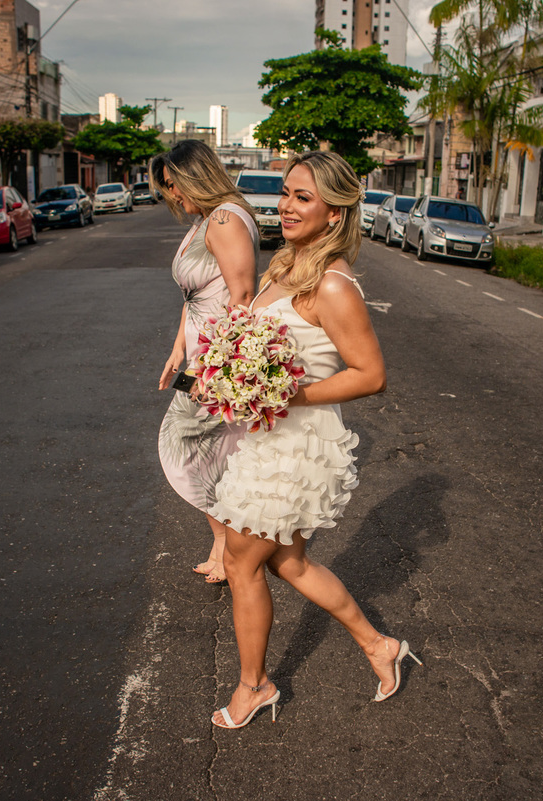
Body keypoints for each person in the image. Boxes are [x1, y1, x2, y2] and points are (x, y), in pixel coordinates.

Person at [206, 151, 419, 729]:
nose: (287, 205)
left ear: (334, 213)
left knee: (243, 561)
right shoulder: (284, 265)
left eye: (304, 197)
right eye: (286, 193)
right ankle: (379, 646)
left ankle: (255, 686)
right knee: (291, 565)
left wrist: (287, 395)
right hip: (266, 437)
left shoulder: (333, 285)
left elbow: (370, 375)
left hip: (295, 448)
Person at [152, 140, 259, 584]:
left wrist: (210, 366)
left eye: (175, 184)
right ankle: (225, 543)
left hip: (218, 359)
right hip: (201, 355)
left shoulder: (225, 218)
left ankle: (229, 545)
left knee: (186, 445)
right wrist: (179, 348)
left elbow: (243, 297)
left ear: (196, 175)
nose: (173, 195)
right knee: (213, 451)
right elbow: (196, 295)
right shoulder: (208, 219)